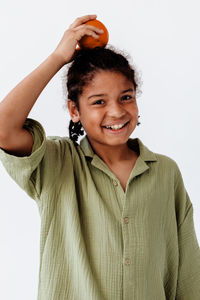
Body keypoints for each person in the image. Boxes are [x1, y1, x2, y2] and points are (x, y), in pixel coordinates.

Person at [0, 13, 199, 300]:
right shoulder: (57, 164)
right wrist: (58, 57)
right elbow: (5, 129)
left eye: (126, 97)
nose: (117, 112)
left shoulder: (166, 173)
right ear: (74, 110)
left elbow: (188, 274)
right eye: (99, 102)